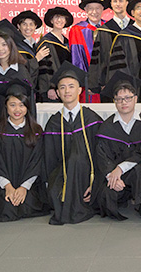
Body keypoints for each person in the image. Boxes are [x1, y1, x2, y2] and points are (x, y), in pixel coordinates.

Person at [42, 63, 104, 225]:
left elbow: (100, 155)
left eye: (71, 86)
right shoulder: (54, 123)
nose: (67, 91)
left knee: (77, 159)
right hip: (62, 174)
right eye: (62, 87)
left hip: (87, 175)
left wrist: (96, 182)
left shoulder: (92, 119)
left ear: (80, 90)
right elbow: (49, 159)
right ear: (57, 92)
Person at [0, 81, 49, 223]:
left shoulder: (36, 132)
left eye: (21, 105)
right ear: (6, 107)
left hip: (29, 183)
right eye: (12, 105)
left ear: (27, 107)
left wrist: (24, 187)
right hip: (4, 183)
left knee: (26, 203)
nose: (17, 109)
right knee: (6, 206)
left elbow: (37, 161)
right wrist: (7, 186)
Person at [97, 72, 141, 220]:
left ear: (135, 99)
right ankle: (122, 194)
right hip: (116, 174)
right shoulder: (107, 127)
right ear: (114, 102)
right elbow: (102, 156)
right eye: (119, 99)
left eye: (128, 98)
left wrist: (121, 168)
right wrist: (112, 176)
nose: (124, 102)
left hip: (138, 173)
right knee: (106, 196)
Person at [90, 0, 133, 94]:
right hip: (110, 81)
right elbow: (98, 59)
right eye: (115, 1)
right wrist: (98, 83)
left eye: (121, 1)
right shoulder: (104, 30)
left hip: (135, 80)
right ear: (111, 4)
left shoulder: (135, 28)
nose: (118, 4)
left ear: (127, 3)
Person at [69, 0, 105, 96]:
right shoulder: (77, 30)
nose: (94, 12)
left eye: (98, 8)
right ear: (85, 9)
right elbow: (77, 59)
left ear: (103, 9)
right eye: (90, 9)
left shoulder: (109, 28)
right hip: (88, 83)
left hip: (108, 83)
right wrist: (86, 83)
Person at [36, 7, 74, 101]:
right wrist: (50, 88)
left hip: (65, 89)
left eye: (62, 18)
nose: (59, 20)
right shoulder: (46, 42)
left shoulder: (67, 42)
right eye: (56, 17)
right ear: (51, 20)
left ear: (66, 21)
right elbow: (45, 68)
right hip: (52, 92)